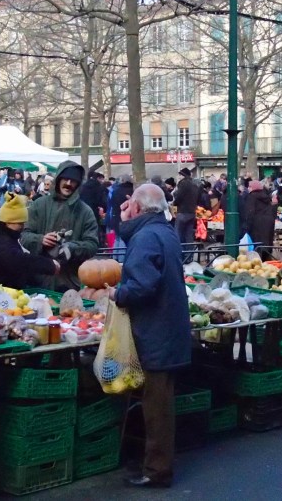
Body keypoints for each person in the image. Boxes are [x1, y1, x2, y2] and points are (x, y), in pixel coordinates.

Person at [107, 184, 190, 488]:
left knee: (157, 405)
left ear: (139, 208)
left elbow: (142, 286)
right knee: (160, 401)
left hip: (156, 332)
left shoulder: (144, 238)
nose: (122, 209)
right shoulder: (164, 232)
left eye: (127, 204)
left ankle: (157, 470)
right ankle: (156, 464)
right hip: (167, 328)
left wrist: (118, 293)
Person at [21, 161, 99, 291]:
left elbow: (92, 244)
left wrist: (72, 248)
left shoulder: (85, 211)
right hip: (38, 279)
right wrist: (41, 240)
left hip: (69, 283)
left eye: (73, 180)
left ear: (78, 184)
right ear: (58, 179)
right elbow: (24, 235)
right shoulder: (39, 205)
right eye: (65, 179)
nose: (68, 183)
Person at [0, 194, 60, 289]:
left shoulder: (3, 233)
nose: (22, 227)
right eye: (20, 223)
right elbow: (18, 260)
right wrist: (49, 265)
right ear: (8, 221)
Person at [244, 180, 276, 260]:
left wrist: (247, 226)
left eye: (250, 186)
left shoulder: (251, 197)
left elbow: (250, 212)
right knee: (266, 244)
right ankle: (267, 260)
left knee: (257, 246)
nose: (248, 188)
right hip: (268, 223)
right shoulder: (266, 197)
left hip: (256, 224)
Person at [172, 167, 199, 261]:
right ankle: (189, 257)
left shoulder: (183, 184)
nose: (178, 177)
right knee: (189, 236)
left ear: (182, 175)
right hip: (192, 213)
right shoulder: (195, 184)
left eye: (179, 175)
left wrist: (174, 202)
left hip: (183, 212)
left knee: (178, 235)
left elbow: (179, 197)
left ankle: (179, 256)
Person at [80, 171, 108, 243]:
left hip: (83, 210)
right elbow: (101, 200)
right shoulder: (98, 187)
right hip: (95, 211)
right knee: (95, 227)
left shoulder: (83, 186)